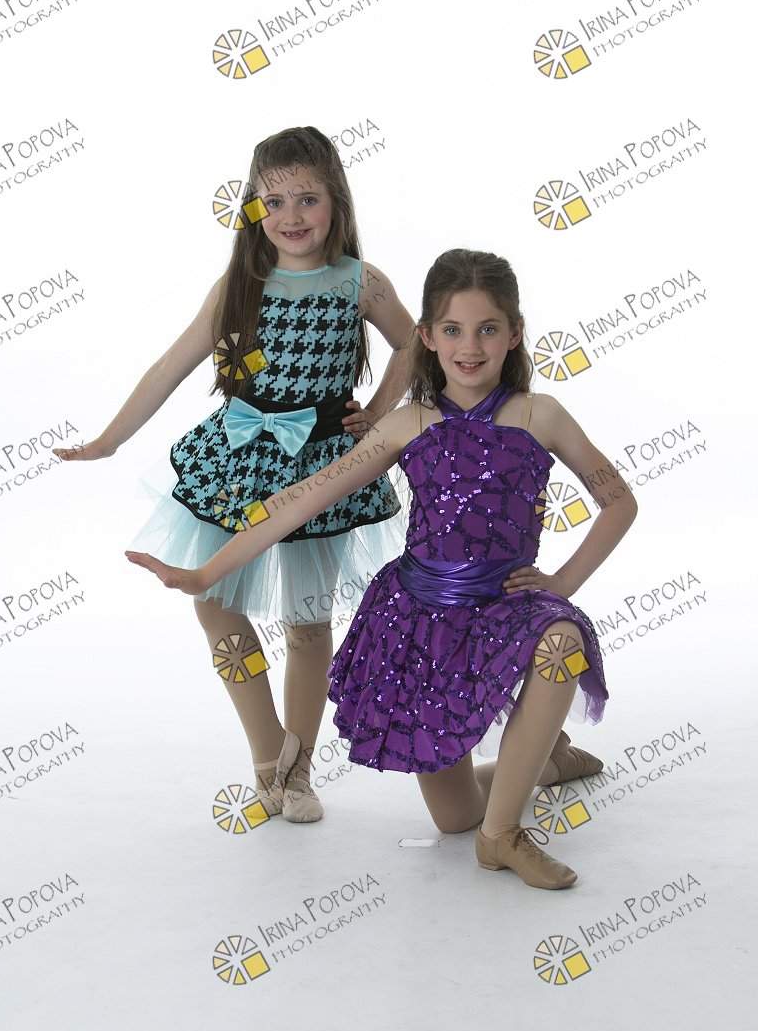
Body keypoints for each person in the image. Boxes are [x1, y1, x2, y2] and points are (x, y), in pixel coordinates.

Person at [126, 249, 637, 889]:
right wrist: (206, 575)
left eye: (487, 329)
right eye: (452, 330)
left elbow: (618, 501)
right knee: (454, 816)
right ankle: (545, 766)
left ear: (514, 333)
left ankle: (503, 836)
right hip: (426, 625)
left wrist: (562, 585)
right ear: (427, 336)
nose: (469, 347)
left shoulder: (542, 416)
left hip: (510, 605)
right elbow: (298, 502)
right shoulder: (405, 425)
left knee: (560, 642)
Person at [54, 125, 415, 823]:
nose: (291, 216)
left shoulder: (361, 282)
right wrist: (107, 442)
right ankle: (268, 752)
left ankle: (299, 773)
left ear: (336, 202)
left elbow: (413, 345)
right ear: (253, 208)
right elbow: (168, 367)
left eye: (307, 199)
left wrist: (375, 414)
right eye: (273, 201)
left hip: (318, 458)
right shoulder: (240, 284)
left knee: (306, 621)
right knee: (213, 600)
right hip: (238, 455)